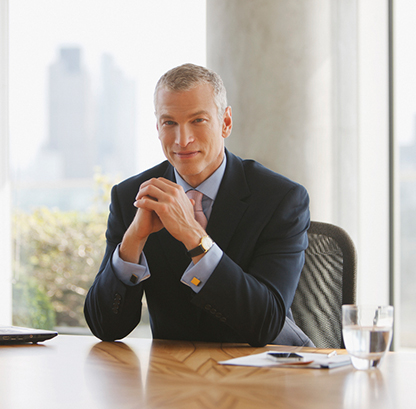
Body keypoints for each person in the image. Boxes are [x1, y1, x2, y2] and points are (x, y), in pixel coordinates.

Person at [84, 63, 313, 347]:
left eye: (198, 120)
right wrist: (133, 240)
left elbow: (265, 323)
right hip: (174, 377)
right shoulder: (131, 196)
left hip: (266, 371)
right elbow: (106, 327)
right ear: (157, 127)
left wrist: (193, 236)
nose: (183, 140)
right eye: (170, 123)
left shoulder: (280, 199)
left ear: (225, 122)